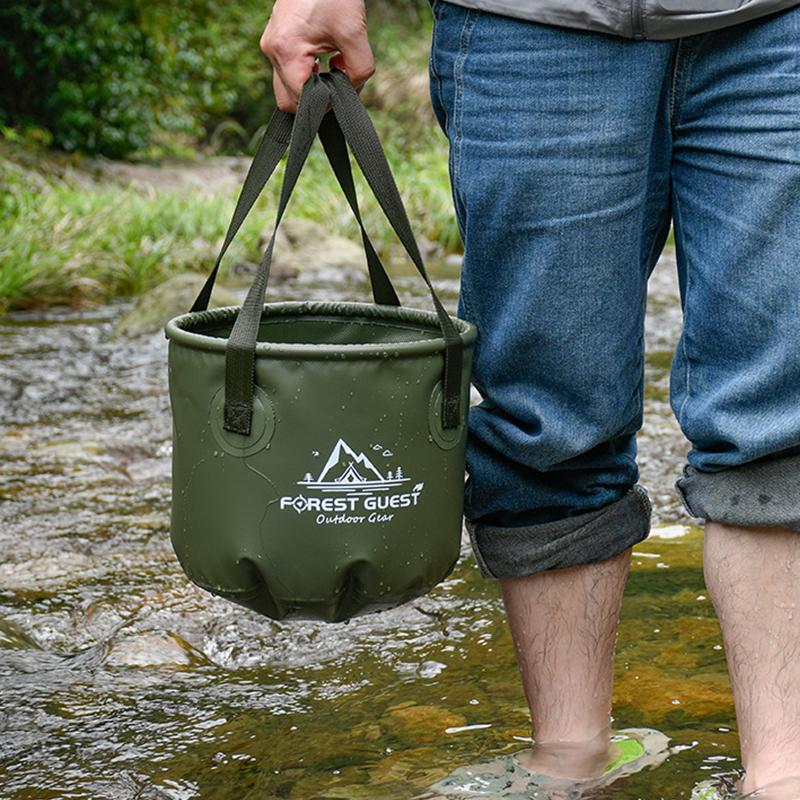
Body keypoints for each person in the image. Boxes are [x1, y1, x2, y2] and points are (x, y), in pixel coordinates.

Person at [259, 0, 800, 795]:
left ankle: (785, 774)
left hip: (778, 23)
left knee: (783, 418)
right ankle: (571, 760)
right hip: (530, 20)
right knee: (547, 421)